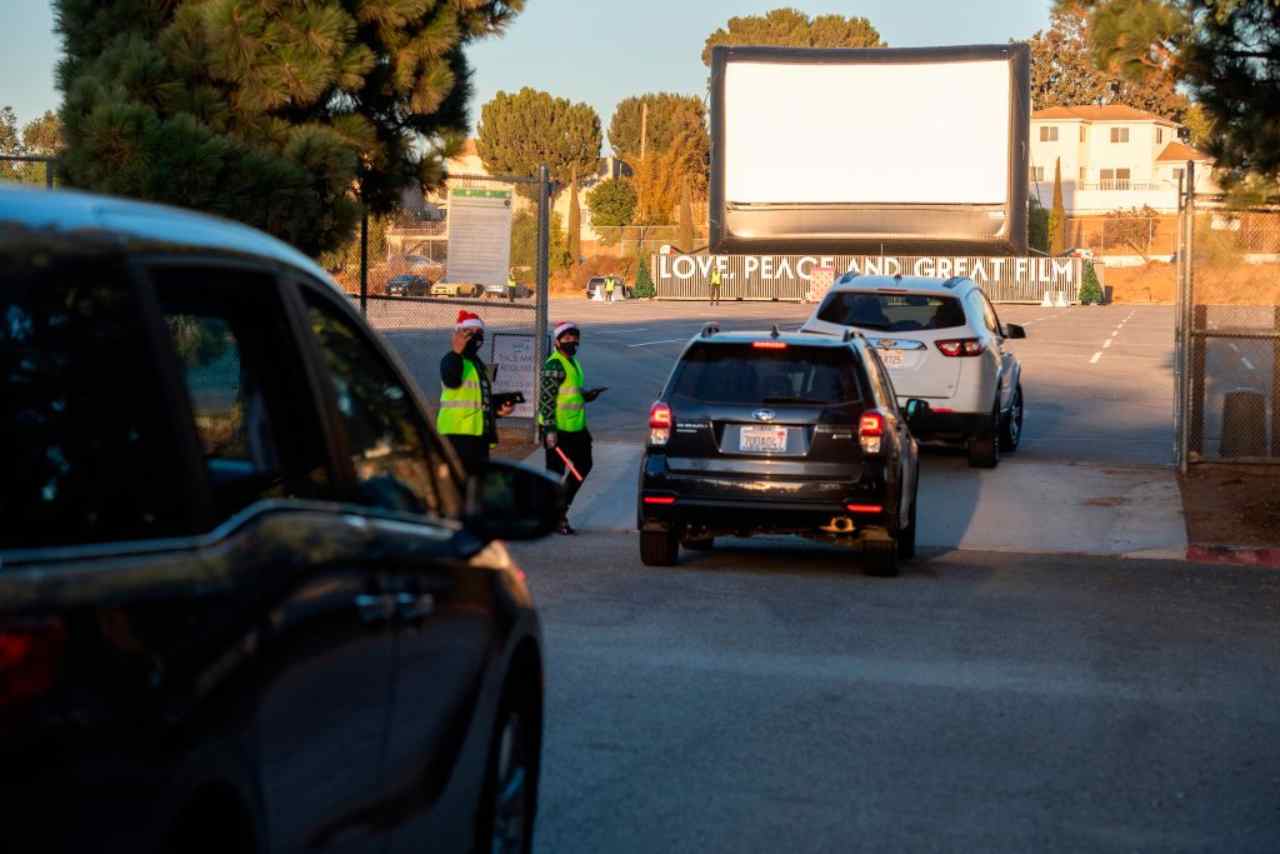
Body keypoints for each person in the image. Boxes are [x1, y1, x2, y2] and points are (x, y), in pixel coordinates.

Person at [540, 321, 603, 534]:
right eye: (567, 339)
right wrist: (549, 430)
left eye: (575, 339)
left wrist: (587, 395)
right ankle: (555, 517)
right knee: (555, 475)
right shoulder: (554, 364)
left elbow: (571, 392)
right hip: (558, 430)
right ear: (557, 342)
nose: (572, 342)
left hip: (577, 428)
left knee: (583, 466)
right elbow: (546, 400)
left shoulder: (573, 363)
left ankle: (559, 510)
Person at [437, 310, 514, 475]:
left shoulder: (477, 364)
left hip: (478, 436)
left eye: (479, 332)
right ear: (458, 334)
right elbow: (451, 380)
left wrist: (498, 410)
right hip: (457, 435)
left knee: (476, 486)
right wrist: (456, 351)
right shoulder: (451, 359)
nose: (475, 336)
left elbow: (479, 400)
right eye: (469, 332)